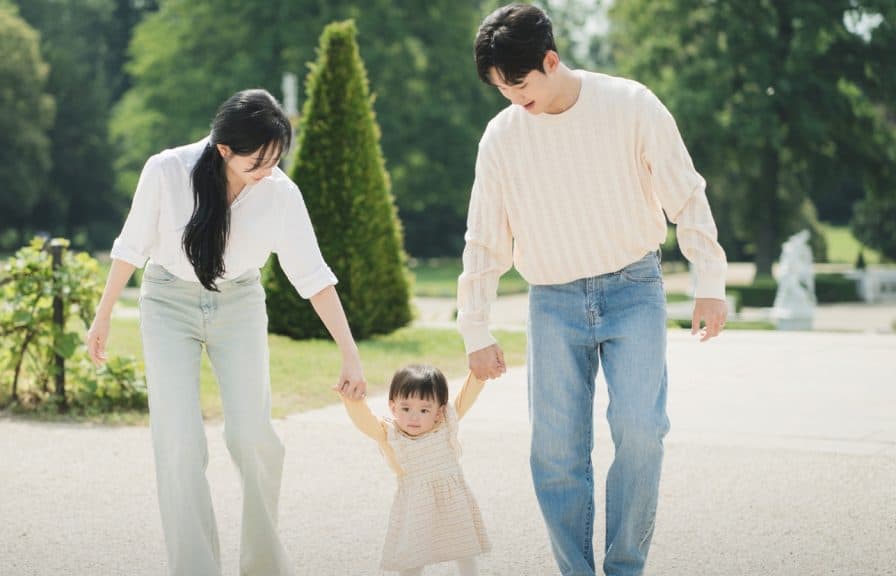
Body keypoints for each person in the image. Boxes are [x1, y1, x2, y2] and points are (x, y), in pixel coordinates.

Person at [460, 4, 729, 576]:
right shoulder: (501, 137)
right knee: (556, 453)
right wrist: (474, 328)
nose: (512, 99)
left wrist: (709, 279)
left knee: (641, 432)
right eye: (499, 89)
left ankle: (624, 566)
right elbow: (484, 240)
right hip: (552, 300)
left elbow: (686, 192)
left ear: (551, 60)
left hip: (634, 287)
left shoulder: (631, 105)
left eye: (519, 84)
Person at [86, 88, 367, 576]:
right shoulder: (166, 170)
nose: (268, 171)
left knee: (253, 434)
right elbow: (130, 246)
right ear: (223, 151)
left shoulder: (279, 192)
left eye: (276, 158)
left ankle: (264, 567)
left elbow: (314, 278)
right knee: (178, 440)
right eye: (257, 161)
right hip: (167, 301)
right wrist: (104, 314)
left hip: (239, 302)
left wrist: (350, 353)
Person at [338, 365, 491, 575]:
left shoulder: (446, 423)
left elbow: (466, 398)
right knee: (412, 553)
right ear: (393, 407)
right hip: (414, 504)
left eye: (424, 410)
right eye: (406, 408)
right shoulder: (390, 434)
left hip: (452, 500)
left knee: (463, 545)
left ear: (439, 412)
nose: (414, 417)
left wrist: (478, 375)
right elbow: (365, 423)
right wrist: (352, 401)